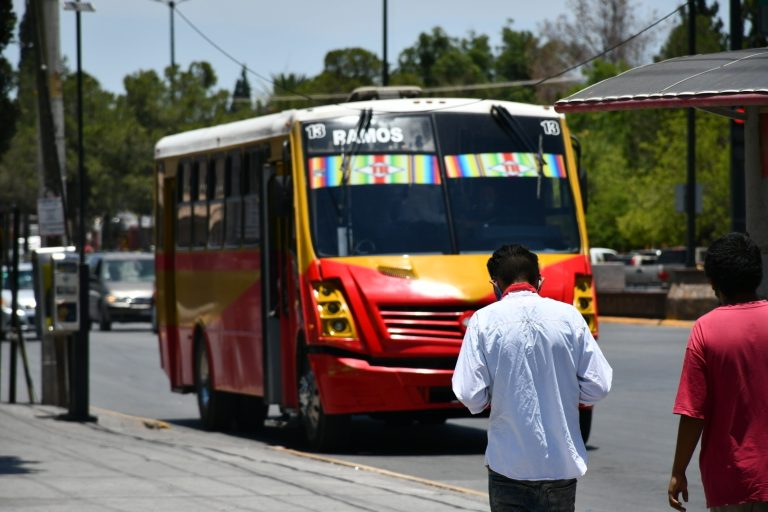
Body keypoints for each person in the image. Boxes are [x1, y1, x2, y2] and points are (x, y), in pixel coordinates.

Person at [452, 244, 612, 512]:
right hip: (560, 467)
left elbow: (470, 394)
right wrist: (565, 391)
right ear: (539, 281)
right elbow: (599, 385)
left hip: (508, 466)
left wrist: (496, 394)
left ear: (495, 284)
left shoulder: (483, 321)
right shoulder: (569, 316)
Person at [668, 232, 768, 511]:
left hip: (731, 480)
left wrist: (678, 470)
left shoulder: (705, 329)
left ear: (713, 281)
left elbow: (693, 412)